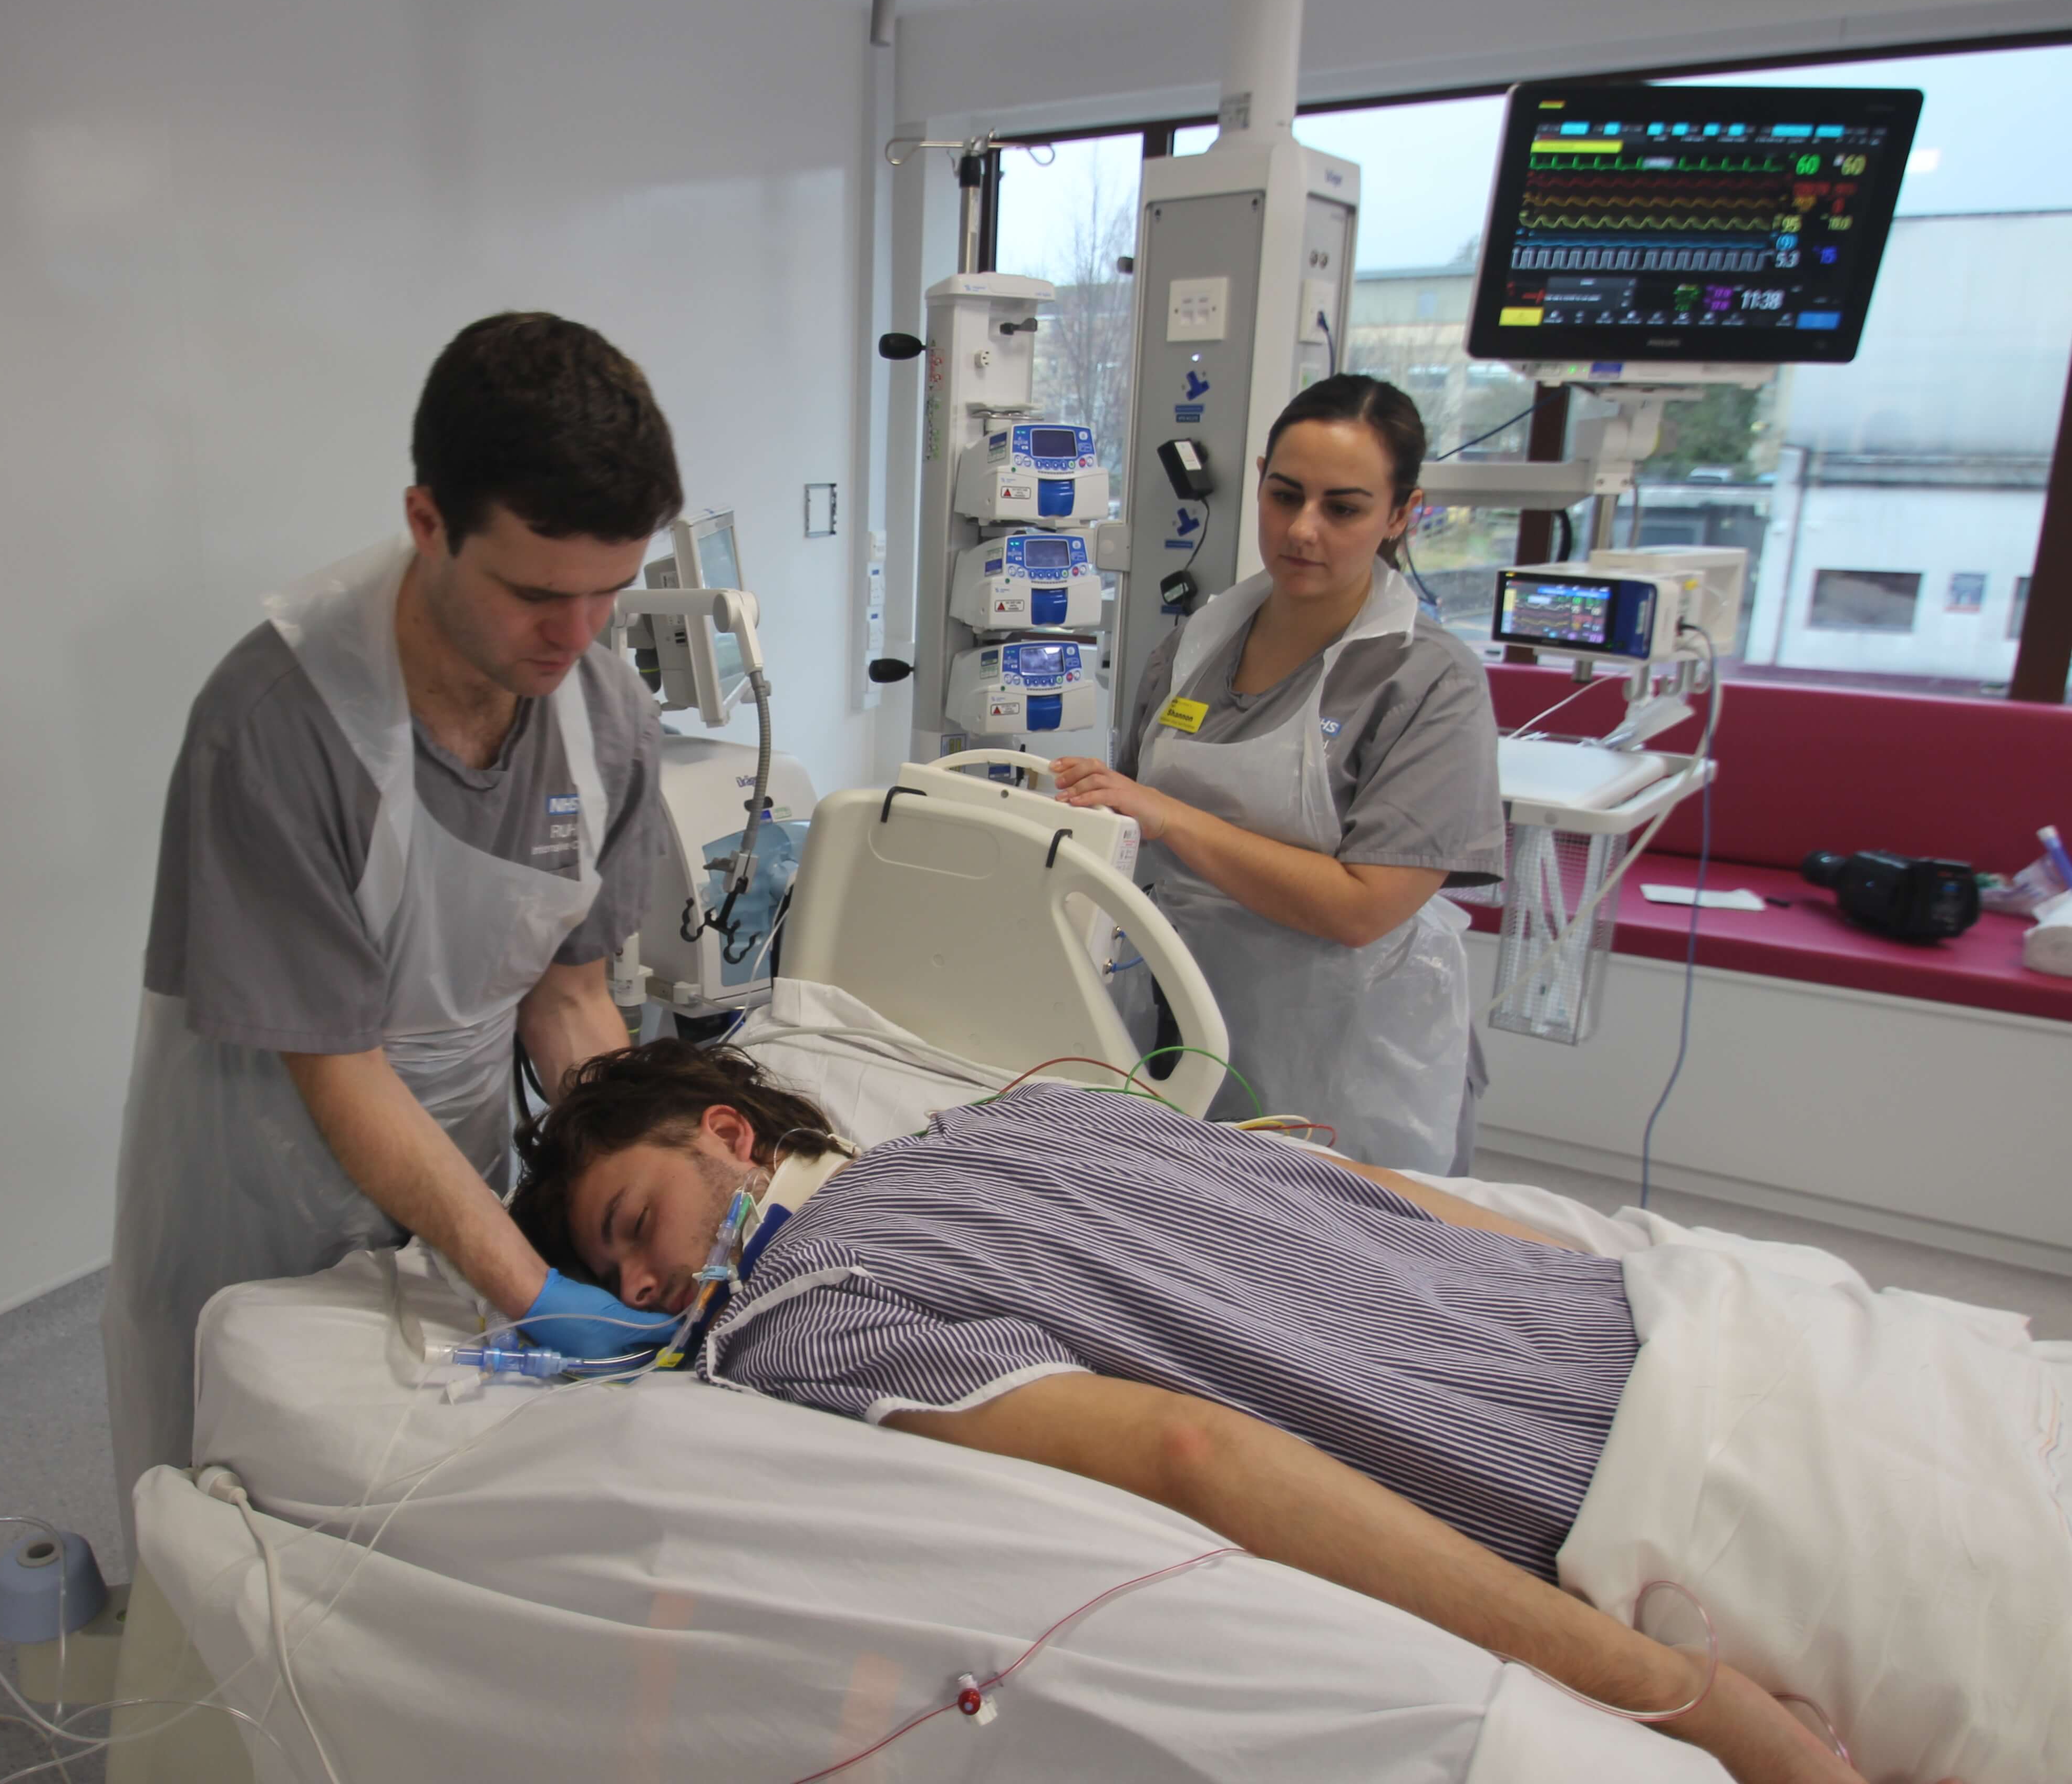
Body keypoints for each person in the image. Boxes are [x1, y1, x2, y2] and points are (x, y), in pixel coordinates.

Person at [503, 1040, 1878, 1784]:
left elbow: (1190, 1448)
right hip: (1722, 1338)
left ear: (731, 1137)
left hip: (1641, 1505)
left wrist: (1694, 1706)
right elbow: (1371, 1194)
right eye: (614, 1279)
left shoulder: (793, 1309)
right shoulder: (1019, 1112)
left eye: (634, 1225)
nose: (641, 1281)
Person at [103, 313, 686, 1528]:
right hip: (259, 1163)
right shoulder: (279, 723)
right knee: (248, 1480)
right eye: (536, 595)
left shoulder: (606, 712)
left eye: (609, 597)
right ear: (428, 525)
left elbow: (571, 999)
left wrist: (641, 1171)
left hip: (454, 1144)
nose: (575, 640)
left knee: (437, 1489)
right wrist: (534, 1293)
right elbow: (342, 1071)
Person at [1053, 374, 1503, 1174]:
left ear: (1403, 513)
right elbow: (1129, 827)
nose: (1302, 530)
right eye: (1284, 495)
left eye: (1344, 508)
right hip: (1186, 1017)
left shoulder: (1430, 683)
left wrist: (1174, 818)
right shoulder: (1191, 650)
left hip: (1350, 1051)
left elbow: (1365, 906)